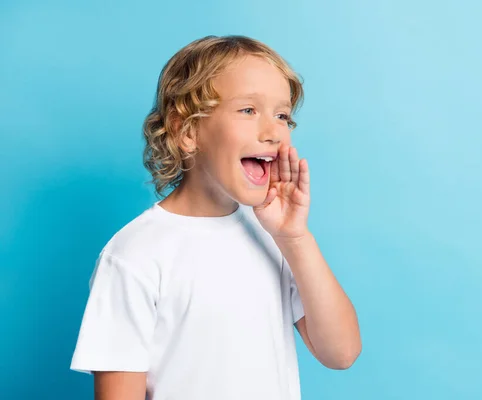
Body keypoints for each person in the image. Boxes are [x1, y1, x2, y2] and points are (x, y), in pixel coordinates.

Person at [70, 35, 361, 400]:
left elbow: (341, 353)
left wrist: (295, 238)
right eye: (248, 110)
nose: (272, 132)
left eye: (282, 115)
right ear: (186, 131)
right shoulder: (134, 254)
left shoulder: (273, 235)